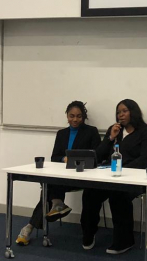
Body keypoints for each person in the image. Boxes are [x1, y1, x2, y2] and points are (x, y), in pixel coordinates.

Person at [16, 100, 101, 245]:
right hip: (64, 176)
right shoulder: (61, 133)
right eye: (71, 116)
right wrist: (64, 158)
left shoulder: (91, 131)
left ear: (84, 117)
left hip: (83, 177)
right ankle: (56, 205)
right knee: (49, 184)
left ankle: (31, 225)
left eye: (79, 116)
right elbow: (54, 157)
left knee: (48, 188)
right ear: (67, 116)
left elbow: (97, 156)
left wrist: (77, 160)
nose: (75, 119)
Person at [79, 99, 147, 254]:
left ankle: (124, 240)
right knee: (90, 193)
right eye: (118, 112)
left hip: (134, 178)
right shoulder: (114, 130)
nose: (120, 115)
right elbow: (99, 154)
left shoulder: (146, 132)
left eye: (124, 111)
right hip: (109, 176)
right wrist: (110, 138)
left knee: (118, 195)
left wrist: (123, 170)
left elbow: (146, 159)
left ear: (133, 112)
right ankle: (88, 233)